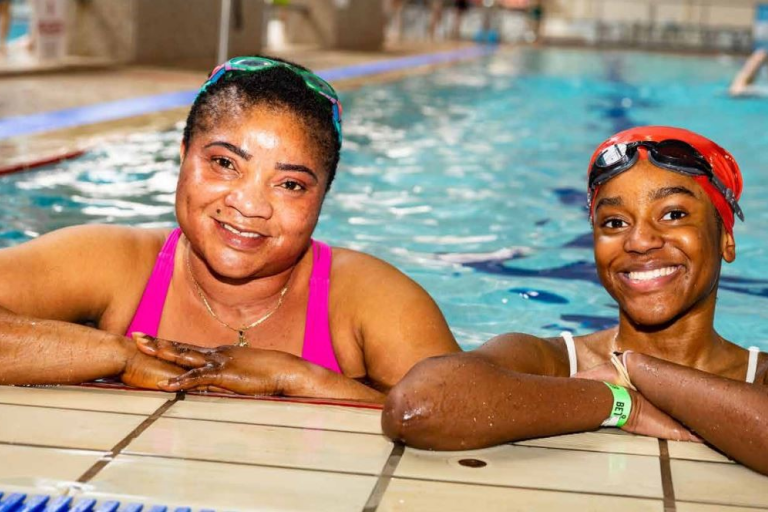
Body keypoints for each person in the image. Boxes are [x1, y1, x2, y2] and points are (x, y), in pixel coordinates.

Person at [0, 56, 460, 402]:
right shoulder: (115, 263)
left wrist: (298, 377)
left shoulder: (368, 297)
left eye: (290, 184)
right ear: (183, 156)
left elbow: (458, 410)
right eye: (224, 163)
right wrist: (119, 355)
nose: (249, 205)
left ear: (324, 196)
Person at [383, 126, 768, 476]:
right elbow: (418, 406)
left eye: (673, 214)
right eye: (615, 223)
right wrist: (619, 402)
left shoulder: (759, 376)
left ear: (725, 240)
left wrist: (640, 371)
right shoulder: (556, 362)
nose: (639, 241)